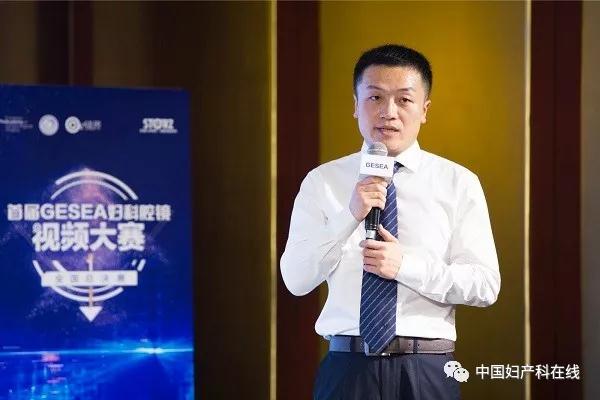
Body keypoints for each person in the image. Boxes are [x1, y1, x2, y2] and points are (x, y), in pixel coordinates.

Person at [280, 44, 501, 400]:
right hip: (348, 369)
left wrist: (405, 266)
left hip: (426, 369)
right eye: (375, 97)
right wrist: (349, 215)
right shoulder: (323, 182)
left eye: (404, 100)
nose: (388, 112)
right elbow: (296, 279)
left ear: (424, 110)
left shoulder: (458, 182)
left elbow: (485, 285)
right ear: (355, 105)